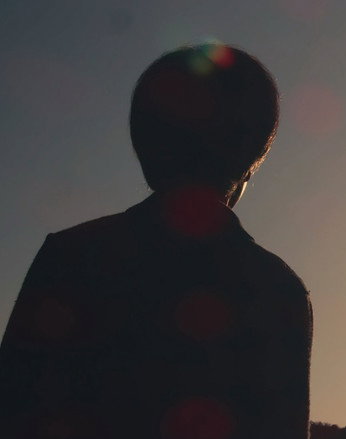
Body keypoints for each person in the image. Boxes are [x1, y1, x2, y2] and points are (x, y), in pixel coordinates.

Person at [0, 44, 313, 439]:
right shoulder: (279, 290)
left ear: (144, 150)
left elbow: (13, 403)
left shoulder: (73, 254)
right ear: (252, 159)